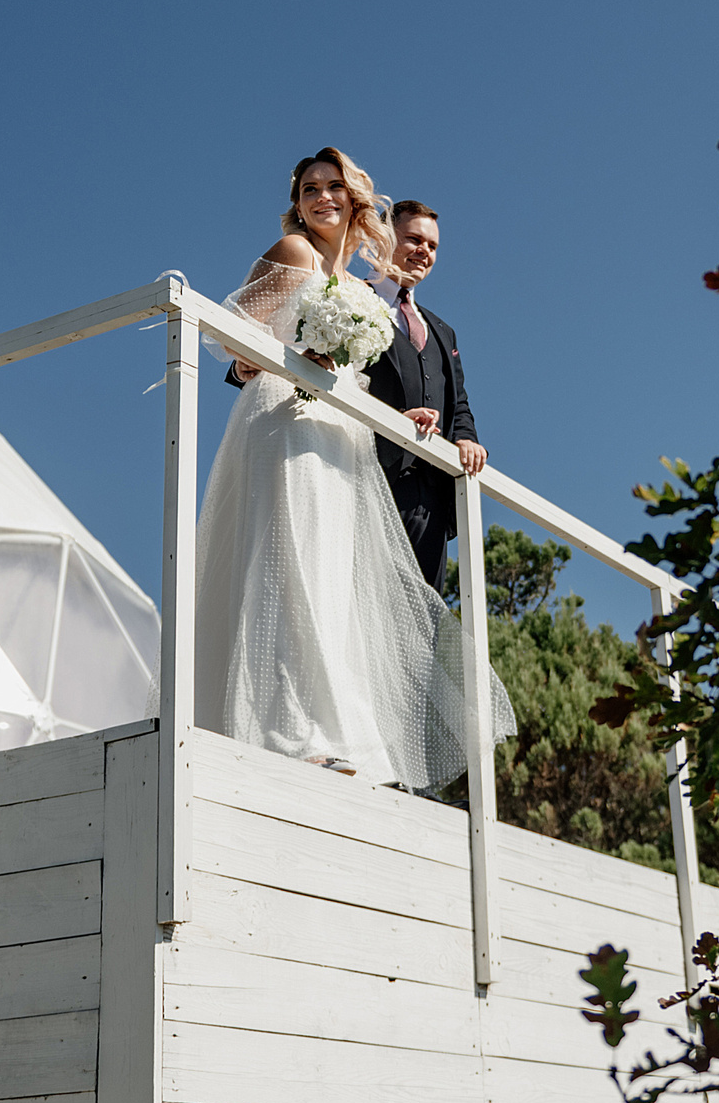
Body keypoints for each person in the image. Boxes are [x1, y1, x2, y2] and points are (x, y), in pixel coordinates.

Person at [193, 148, 513, 788]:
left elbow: (355, 372)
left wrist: (396, 413)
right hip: (285, 419)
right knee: (290, 567)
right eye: (310, 188)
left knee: (333, 579)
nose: (322, 197)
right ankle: (292, 733)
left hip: (340, 432)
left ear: (354, 199)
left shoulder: (355, 285)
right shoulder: (293, 252)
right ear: (297, 202)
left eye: (333, 186)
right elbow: (229, 336)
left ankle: (341, 734)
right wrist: (275, 356)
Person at [361, 201, 483, 590]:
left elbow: (458, 402)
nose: (424, 252)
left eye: (432, 246)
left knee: (424, 616)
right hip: (369, 478)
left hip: (432, 500)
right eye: (414, 239)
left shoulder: (443, 330)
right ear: (384, 237)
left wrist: (465, 438)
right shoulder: (351, 297)